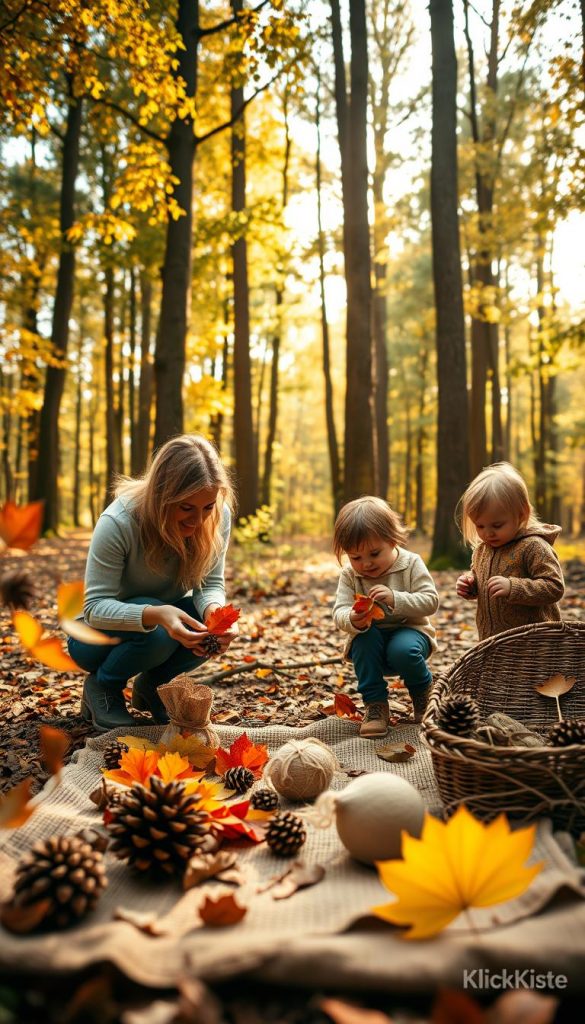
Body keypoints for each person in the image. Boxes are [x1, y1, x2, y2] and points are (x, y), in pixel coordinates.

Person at [67, 434, 238, 732]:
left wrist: (215, 614)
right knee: (159, 630)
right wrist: (157, 614)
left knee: (203, 624)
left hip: (159, 622)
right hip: (93, 637)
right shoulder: (119, 521)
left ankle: (155, 688)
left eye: (207, 507)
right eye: (186, 508)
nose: (197, 521)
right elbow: (94, 607)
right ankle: (103, 686)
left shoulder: (218, 515)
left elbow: (209, 585)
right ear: (162, 495)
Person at [332, 496, 439, 739]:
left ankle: (423, 694)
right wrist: (352, 618)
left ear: (392, 541)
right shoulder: (350, 575)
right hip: (371, 637)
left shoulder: (411, 563)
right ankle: (375, 705)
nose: (366, 564)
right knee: (363, 640)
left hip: (411, 630)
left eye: (374, 553)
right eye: (356, 557)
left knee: (403, 649)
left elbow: (430, 601)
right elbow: (339, 612)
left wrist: (396, 598)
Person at [456, 462, 564, 641]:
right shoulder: (483, 550)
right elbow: (482, 581)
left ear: (522, 514)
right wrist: (471, 585)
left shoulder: (534, 546)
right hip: (493, 641)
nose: (488, 533)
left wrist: (514, 587)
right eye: (480, 526)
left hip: (534, 642)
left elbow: (554, 587)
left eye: (497, 525)